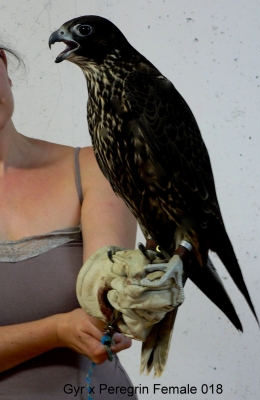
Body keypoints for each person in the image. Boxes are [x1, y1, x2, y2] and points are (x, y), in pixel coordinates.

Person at [0, 45, 138, 399]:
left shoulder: (96, 168)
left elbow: (109, 305)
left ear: (2, 64)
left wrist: (142, 294)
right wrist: (58, 330)